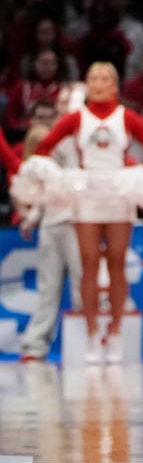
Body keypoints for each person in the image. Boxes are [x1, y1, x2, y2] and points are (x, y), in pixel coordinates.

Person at [33, 62, 143, 364]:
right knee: (88, 265)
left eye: (106, 78)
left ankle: (115, 333)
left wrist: (140, 176)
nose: (100, 83)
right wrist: (61, 177)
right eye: (94, 78)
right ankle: (93, 334)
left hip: (119, 195)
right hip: (87, 196)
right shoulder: (76, 118)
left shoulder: (127, 117)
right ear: (86, 84)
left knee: (117, 263)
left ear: (116, 84)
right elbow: (43, 149)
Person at [17, 100, 82, 363]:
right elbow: (44, 189)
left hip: (78, 223)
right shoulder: (45, 143)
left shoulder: (79, 139)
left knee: (82, 286)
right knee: (48, 287)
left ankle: (86, 342)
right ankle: (35, 345)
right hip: (51, 224)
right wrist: (34, 215)